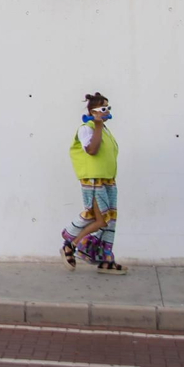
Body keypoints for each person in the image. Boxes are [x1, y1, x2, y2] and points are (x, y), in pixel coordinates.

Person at [61, 93, 126, 274]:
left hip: (107, 181)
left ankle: (106, 260)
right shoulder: (86, 128)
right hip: (94, 181)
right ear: (93, 111)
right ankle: (70, 244)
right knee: (100, 219)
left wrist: (100, 125)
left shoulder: (104, 130)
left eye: (108, 108)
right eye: (104, 108)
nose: (107, 112)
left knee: (109, 221)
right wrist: (97, 124)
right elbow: (92, 149)